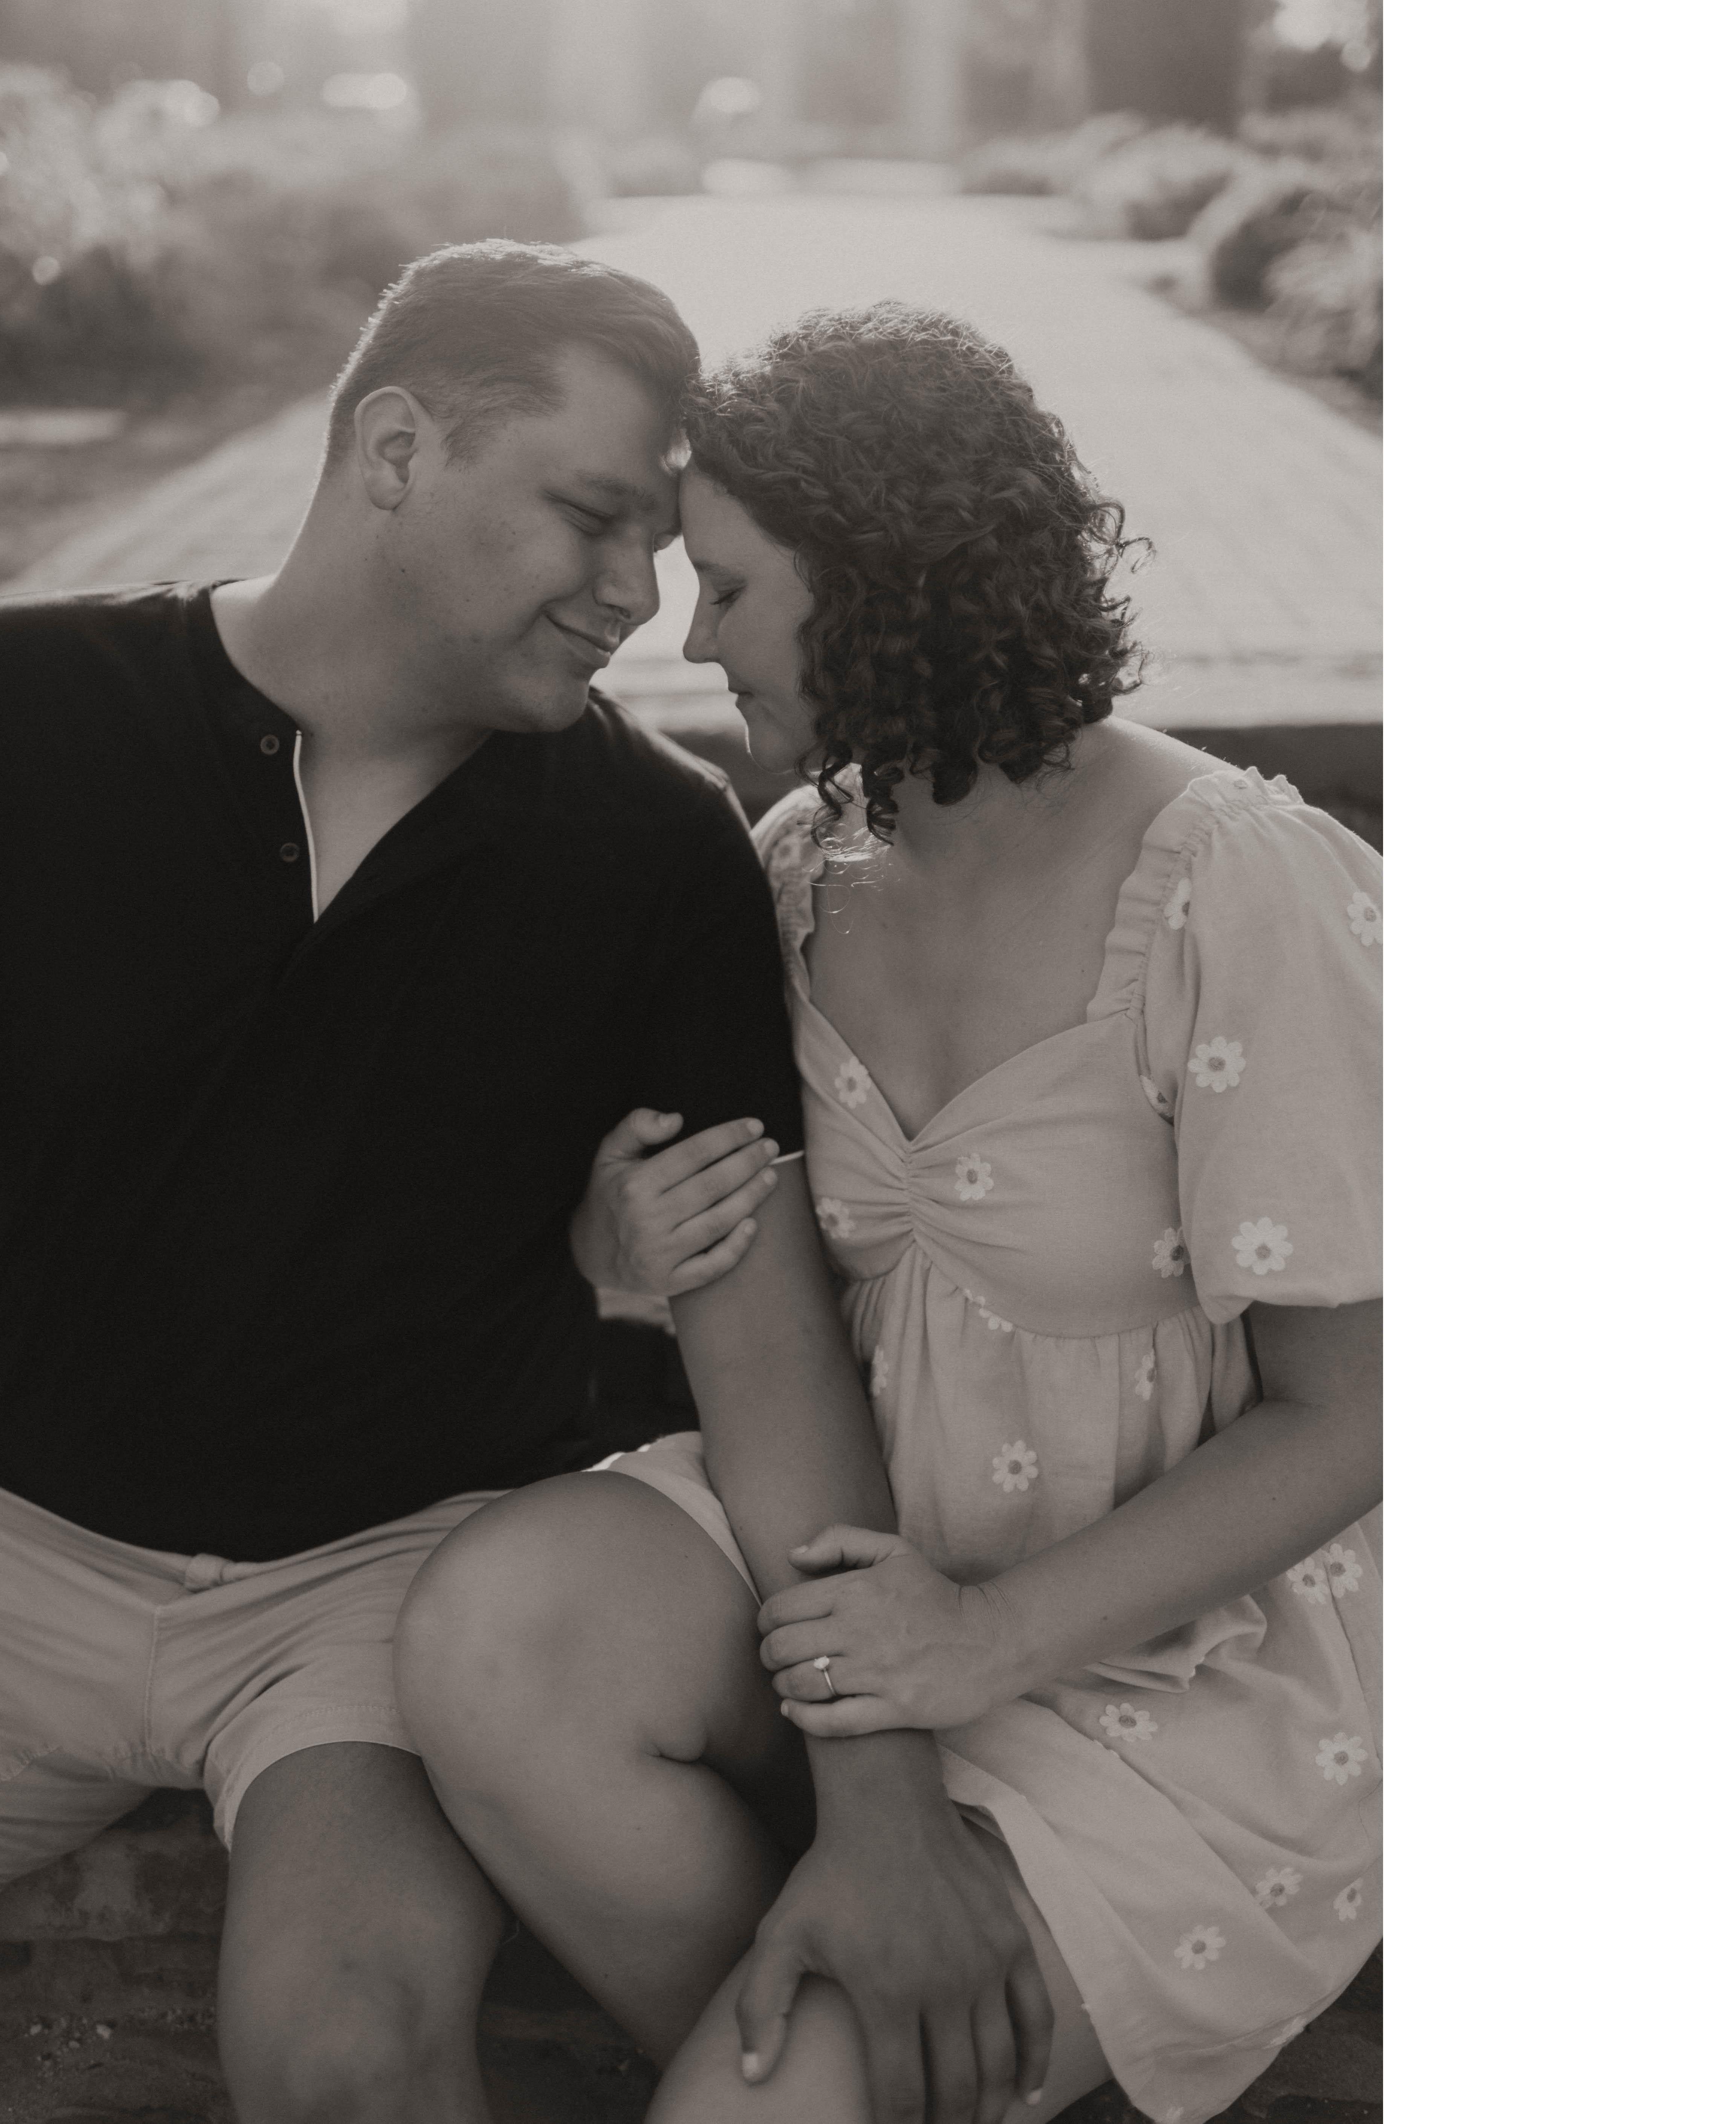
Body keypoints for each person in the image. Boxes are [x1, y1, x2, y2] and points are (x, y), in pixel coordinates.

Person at [0, 246, 1048, 2124]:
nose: (639, 598)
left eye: (664, 547)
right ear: (397, 449)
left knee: (345, 2056)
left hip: (372, 1601)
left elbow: (764, 1349)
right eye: (590, 517)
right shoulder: (1, 713)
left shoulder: (658, 851)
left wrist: (880, 1802)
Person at [395, 302, 1383, 2124]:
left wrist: (983, 1646)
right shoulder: (792, 872)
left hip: (1172, 1646)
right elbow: (765, 1309)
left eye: (730, 588)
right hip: (859, 1571)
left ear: (882, 586)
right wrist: (617, 1256)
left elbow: (1365, 1411)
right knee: (494, 1633)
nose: (691, 640)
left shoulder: (1235, 882)